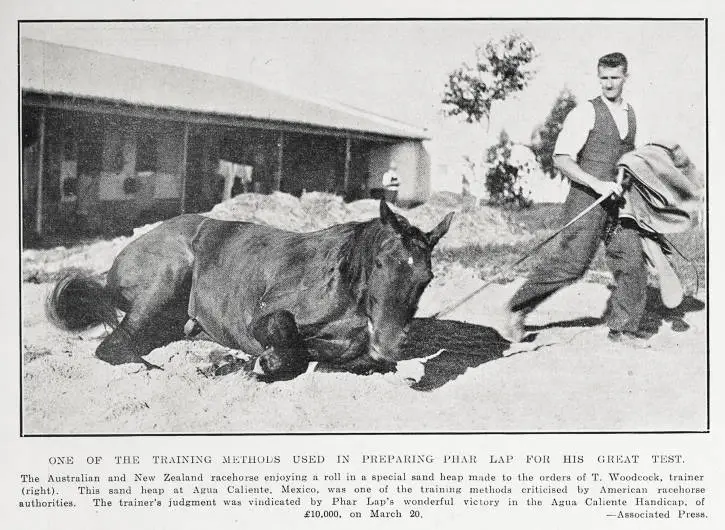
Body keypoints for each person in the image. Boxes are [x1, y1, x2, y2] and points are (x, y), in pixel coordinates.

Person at [503, 52, 650, 348]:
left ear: (625, 78)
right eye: (604, 78)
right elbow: (561, 159)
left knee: (633, 261)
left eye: (615, 77)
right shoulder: (586, 112)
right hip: (587, 200)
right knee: (573, 265)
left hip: (618, 204)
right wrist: (597, 184)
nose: (609, 84)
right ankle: (517, 309)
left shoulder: (631, 114)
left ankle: (623, 329)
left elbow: (632, 159)